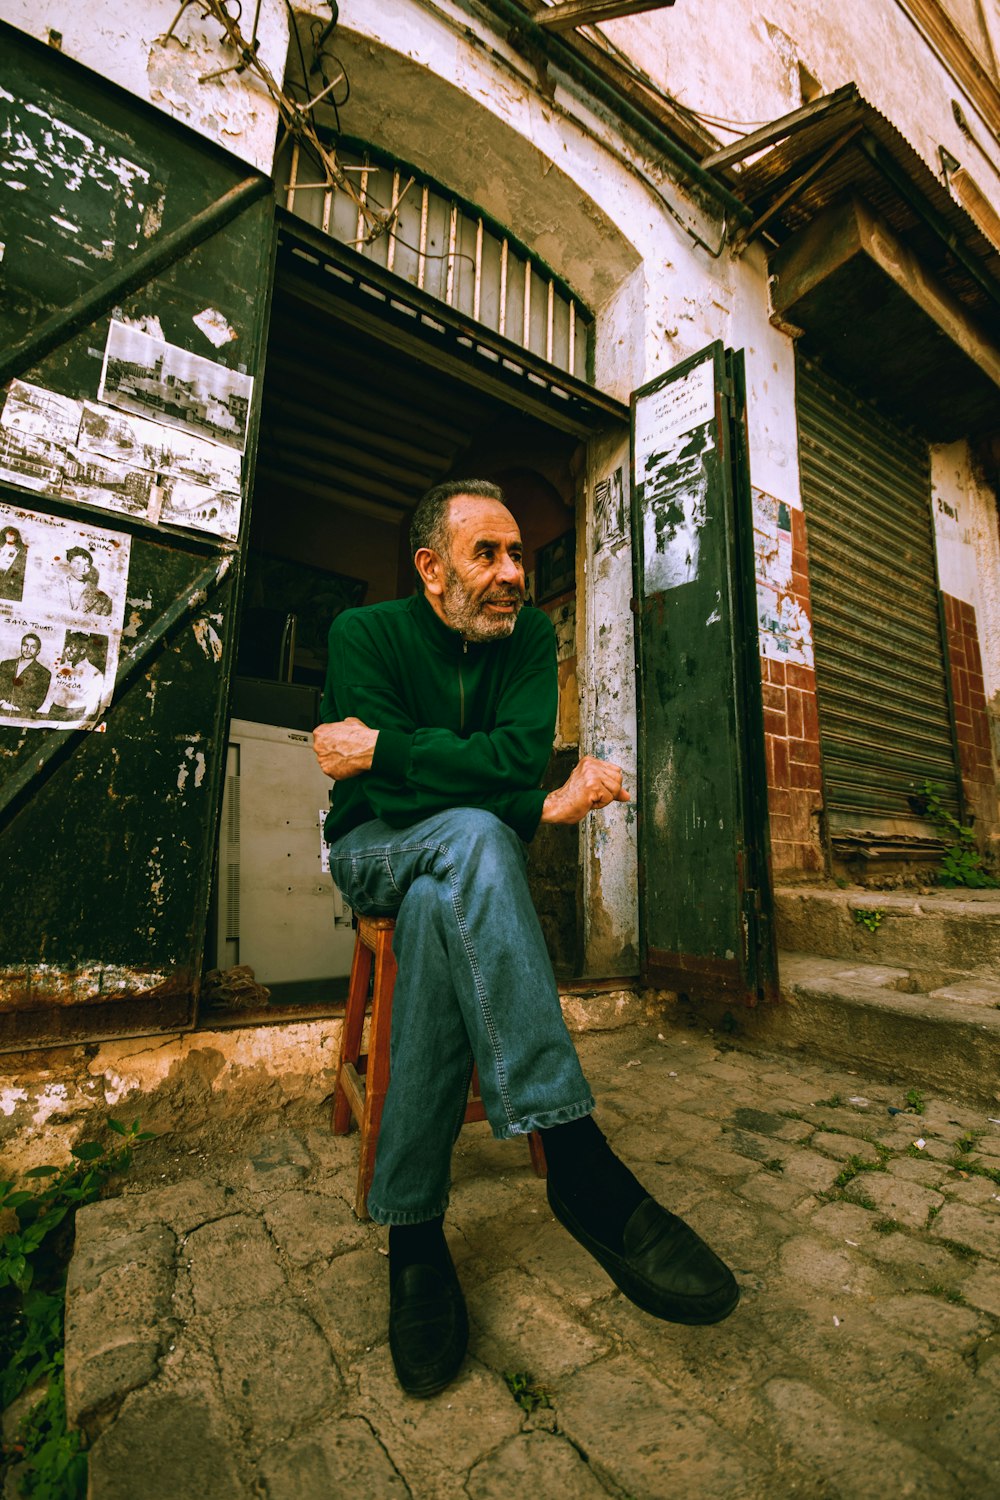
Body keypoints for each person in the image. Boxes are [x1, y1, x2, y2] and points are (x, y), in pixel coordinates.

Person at [314, 478, 738, 1400]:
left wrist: (387, 747)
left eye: (520, 557)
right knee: (474, 836)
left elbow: (512, 760)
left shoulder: (531, 637)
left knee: (445, 897)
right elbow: (398, 802)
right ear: (431, 570)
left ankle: (414, 1234)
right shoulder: (365, 636)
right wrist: (523, 801)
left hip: (446, 864)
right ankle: (577, 1160)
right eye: (487, 556)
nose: (512, 574)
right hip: (370, 848)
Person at [47, 634, 106, 722]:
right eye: (67, 647)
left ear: (82, 651)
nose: (67, 650)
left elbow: (92, 705)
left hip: (76, 715)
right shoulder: (61, 668)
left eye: (72, 647)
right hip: (54, 711)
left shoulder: (94, 674)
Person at [0, 632, 51, 715]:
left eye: (33, 647)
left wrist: (16, 709)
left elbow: (37, 700)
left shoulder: (44, 673)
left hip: (22, 715)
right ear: (21, 646)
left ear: (38, 651)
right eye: (25, 645)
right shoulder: (6, 665)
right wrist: (2, 703)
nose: (28, 649)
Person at [63, 546, 112, 616]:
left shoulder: (104, 599)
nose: (82, 569)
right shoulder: (51, 587)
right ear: (68, 563)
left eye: (87, 566)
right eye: (77, 563)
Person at [0, 525, 28, 602]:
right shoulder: (2, 546)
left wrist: (12, 578)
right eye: (9, 534)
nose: (10, 536)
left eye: (13, 534)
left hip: (7, 575)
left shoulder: (20, 550)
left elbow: (18, 567)